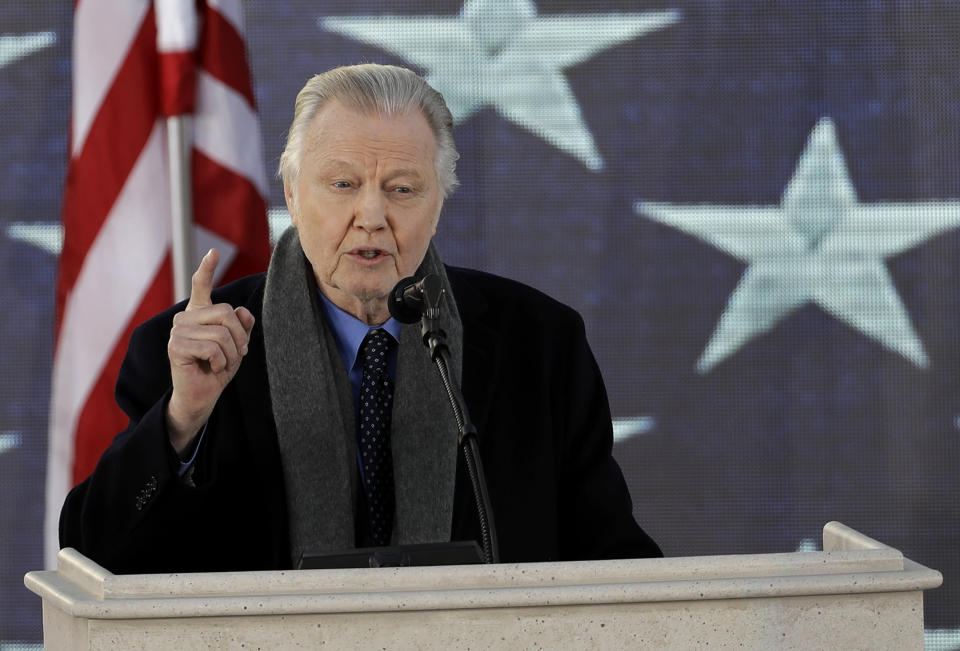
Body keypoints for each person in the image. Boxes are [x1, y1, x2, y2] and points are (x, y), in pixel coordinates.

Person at [59, 64, 661, 574]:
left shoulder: (541, 346)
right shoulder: (191, 352)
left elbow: (615, 565)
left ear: (439, 200)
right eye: (342, 184)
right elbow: (94, 556)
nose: (370, 215)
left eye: (402, 189)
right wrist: (183, 420)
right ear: (293, 195)